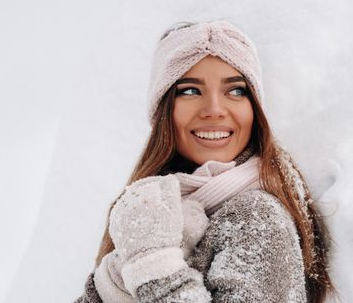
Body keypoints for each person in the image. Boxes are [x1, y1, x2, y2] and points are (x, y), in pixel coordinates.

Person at [74, 20, 335, 303]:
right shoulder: (152, 211)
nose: (214, 110)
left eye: (236, 91)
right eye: (190, 90)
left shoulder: (257, 217)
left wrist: (155, 266)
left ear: (254, 110)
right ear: (164, 111)